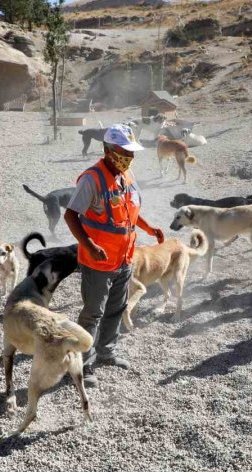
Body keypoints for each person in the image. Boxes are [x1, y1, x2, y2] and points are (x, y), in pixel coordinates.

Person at [64, 123, 164, 388]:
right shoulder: (92, 179)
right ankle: (83, 364)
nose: (129, 157)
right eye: (124, 151)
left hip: (123, 258)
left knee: (116, 308)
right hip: (98, 261)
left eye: (131, 152)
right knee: (93, 313)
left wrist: (148, 227)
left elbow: (130, 211)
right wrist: (88, 246)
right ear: (108, 150)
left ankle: (107, 351)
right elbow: (71, 215)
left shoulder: (126, 175)